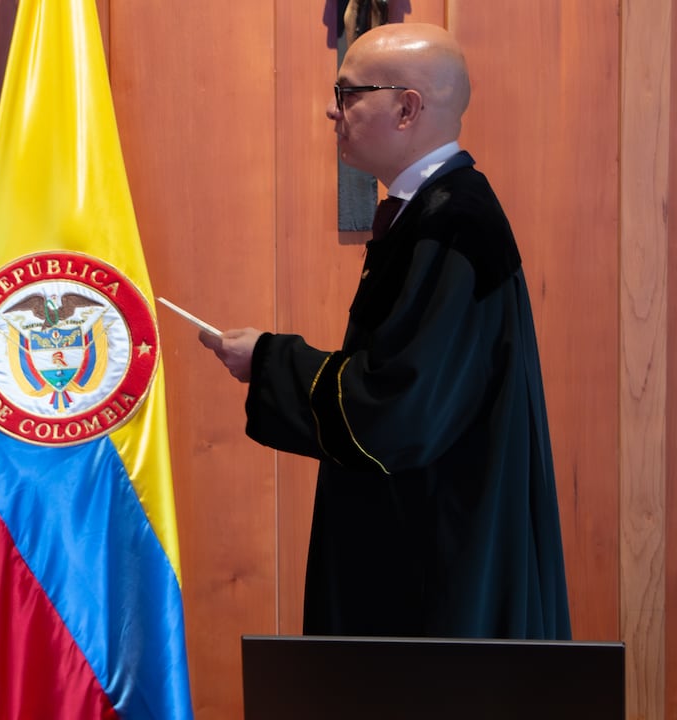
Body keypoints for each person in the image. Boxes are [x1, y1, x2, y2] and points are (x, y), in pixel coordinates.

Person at [199, 22, 570, 640]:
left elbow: (398, 407)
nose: (331, 110)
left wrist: (268, 360)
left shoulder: (454, 224)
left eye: (349, 93)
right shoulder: (433, 211)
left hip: (436, 557)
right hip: (426, 530)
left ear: (407, 108)